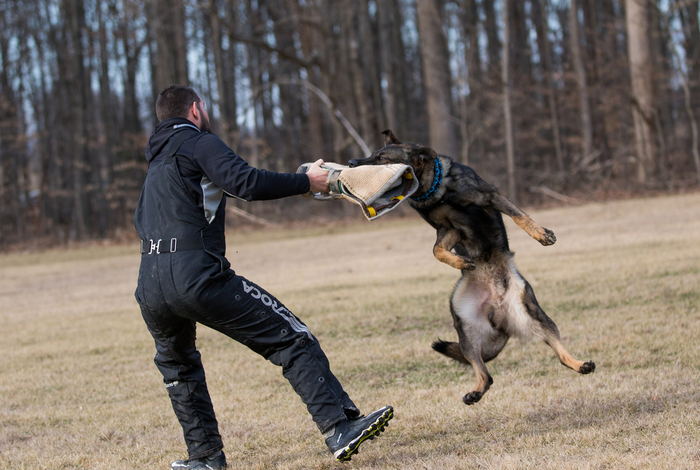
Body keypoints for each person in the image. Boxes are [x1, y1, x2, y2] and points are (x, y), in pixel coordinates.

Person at [134, 85, 393, 469]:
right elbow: (247, 183)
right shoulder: (199, 143)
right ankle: (339, 428)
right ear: (195, 109)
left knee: (179, 368)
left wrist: (301, 179)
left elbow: (224, 186)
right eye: (203, 108)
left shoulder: (157, 163)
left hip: (149, 284)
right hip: (196, 275)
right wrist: (309, 182)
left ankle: (204, 459)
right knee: (293, 338)